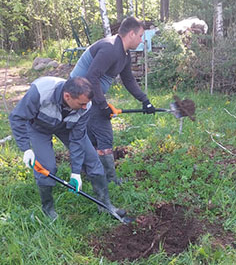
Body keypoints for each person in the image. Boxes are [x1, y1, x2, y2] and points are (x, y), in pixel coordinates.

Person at [9, 76, 126, 220]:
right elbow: (16, 117)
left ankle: (105, 205)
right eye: (81, 103)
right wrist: (26, 148)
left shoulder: (86, 105)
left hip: (68, 127)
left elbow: (77, 140)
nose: (85, 107)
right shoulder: (40, 91)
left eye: (86, 103)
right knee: (47, 167)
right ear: (67, 96)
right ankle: (48, 210)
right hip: (38, 127)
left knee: (92, 160)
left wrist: (75, 173)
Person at [70, 16, 155, 184]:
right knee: (104, 134)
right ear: (131, 34)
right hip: (79, 93)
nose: (141, 40)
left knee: (92, 136)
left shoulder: (123, 54)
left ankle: (89, 173)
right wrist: (103, 106)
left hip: (89, 93)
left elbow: (128, 80)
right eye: (140, 36)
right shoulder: (110, 48)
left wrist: (145, 101)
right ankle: (109, 180)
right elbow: (91, 77)